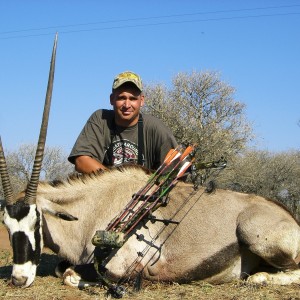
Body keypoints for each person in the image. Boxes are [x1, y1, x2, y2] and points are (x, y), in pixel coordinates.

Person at [68, 71, 178, 173]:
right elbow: (81, 161)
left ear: (142, 100)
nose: (127, 105)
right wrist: (118, 182)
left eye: (133, 98)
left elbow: (176, 170)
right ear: (111, 99)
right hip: (107, 188)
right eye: (121, 98)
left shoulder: (156, 127)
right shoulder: (100, 118)